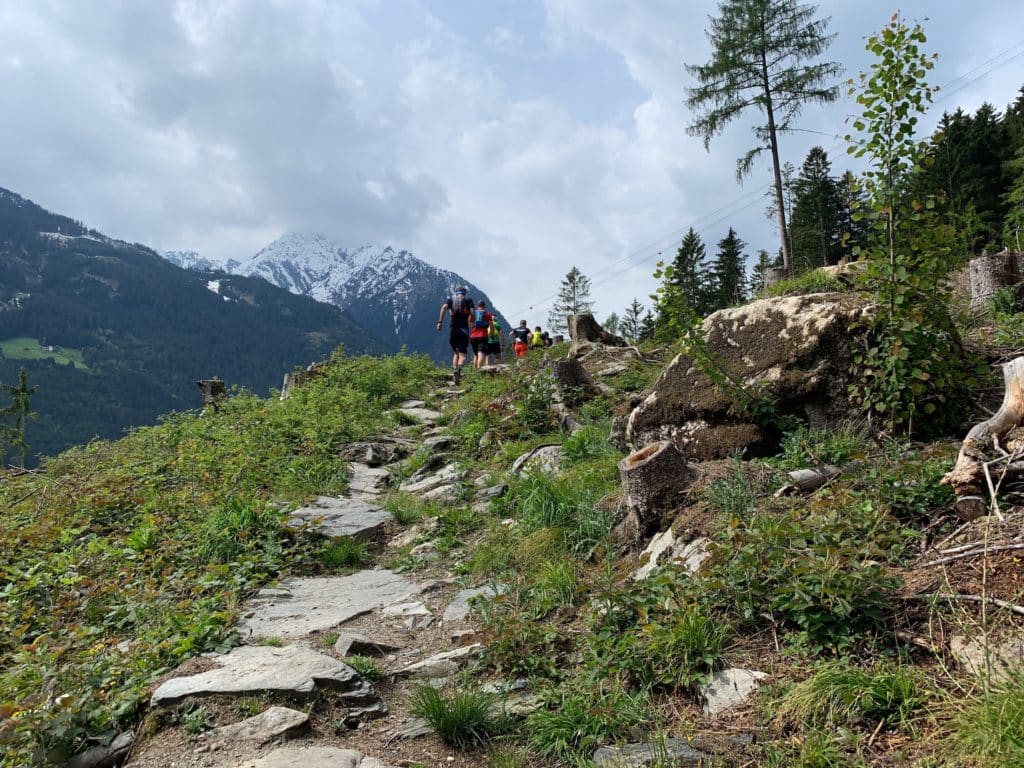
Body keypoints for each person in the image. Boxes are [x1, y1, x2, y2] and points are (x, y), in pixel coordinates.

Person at [437, 286, 473, 383]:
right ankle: (458, 370)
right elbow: (473, 313)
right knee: (463, 356)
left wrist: (440, 322)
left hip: (453, 331)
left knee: (456, 353)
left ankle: (454, 371)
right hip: (464, 331)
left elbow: (444, 307)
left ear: (456, 293)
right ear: (465, 293)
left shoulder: (450, 300)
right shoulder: (468, 300)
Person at [469, 300, 494, 369]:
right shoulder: (487, 313)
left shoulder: (473, 313)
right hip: (482, 336)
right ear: (484, 306)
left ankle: (474, 371)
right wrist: (491, 334)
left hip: (473, 337)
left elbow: (470, 323)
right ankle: (479, 371)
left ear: (478, 306)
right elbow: (491, 326)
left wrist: (472, 331)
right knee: (481, 354)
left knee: (475, 355)